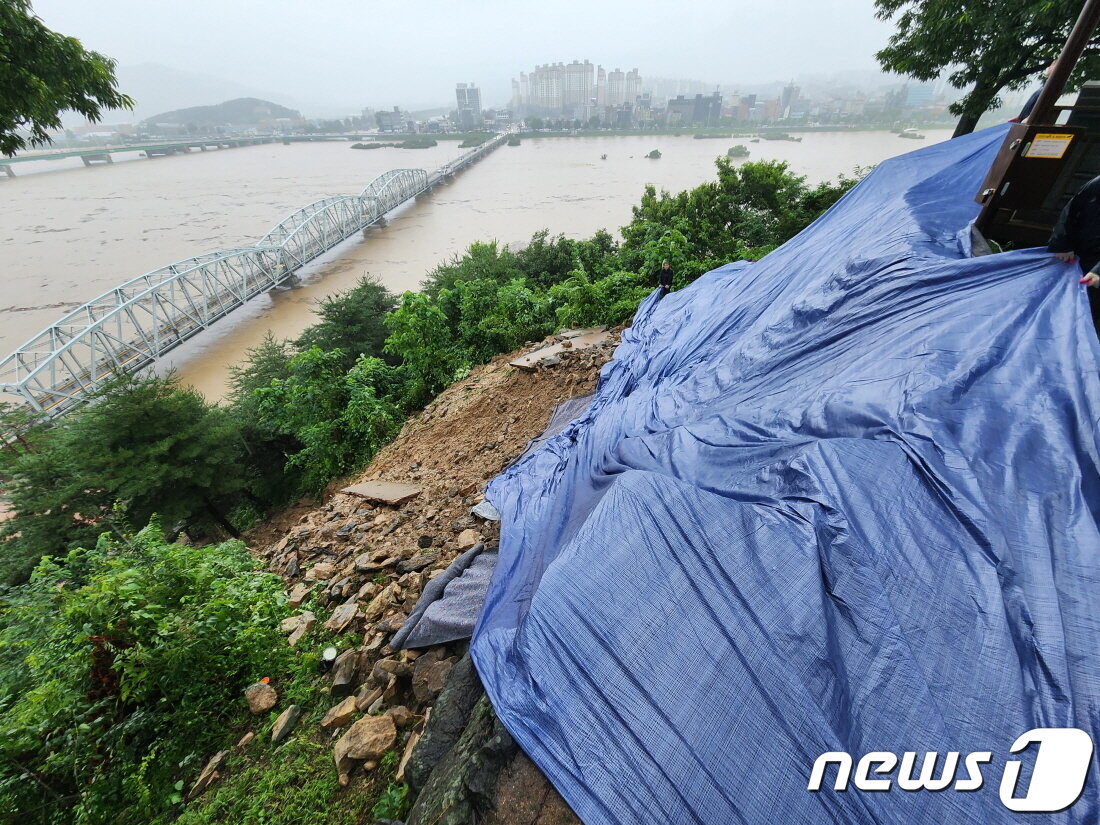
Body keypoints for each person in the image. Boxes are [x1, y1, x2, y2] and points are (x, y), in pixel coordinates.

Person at [1048, 174, 1100, 331]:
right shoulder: (1096, 184)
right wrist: (1062, 245)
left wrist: (1098, 271)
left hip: (1095, 265)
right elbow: (1071, 210)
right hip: (1074, 253)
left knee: (1083, 314)